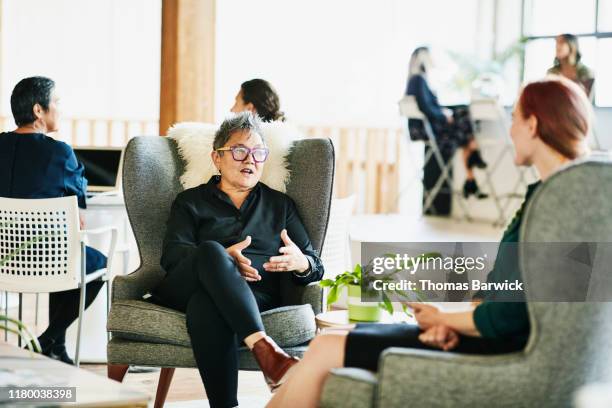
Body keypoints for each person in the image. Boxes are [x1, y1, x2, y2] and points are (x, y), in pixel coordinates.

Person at [267, 75, 592, 408]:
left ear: (533, 125)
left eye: (514, 120)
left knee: (324, 348)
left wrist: (443, 319)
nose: (510, 132)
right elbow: (516, 294)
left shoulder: (552, 202)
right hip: (501, 339)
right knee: (325, 350)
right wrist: (458, 324)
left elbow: (507, 316)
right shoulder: (581, 193)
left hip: (502, 347)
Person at [149, 111, 324, 408]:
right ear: (217, 158)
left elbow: (316, 265)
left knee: (207, 305)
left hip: (255, 296)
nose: (250, 159)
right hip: (185, 285)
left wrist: (300, 262)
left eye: (258, 152)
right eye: (240, 150)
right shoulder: (190, 201)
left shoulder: (280, 205)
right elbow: (172, 257)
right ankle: (266, 350)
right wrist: (222, 259)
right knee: (211, 251)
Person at [0, 76, 107, 365]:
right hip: (47, 259)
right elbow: (76, 195)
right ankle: (47, 339)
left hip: (4, 260)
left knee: (65, 251)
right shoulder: (59, 152)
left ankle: (54, 348)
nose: (60, 109)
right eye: (56, 102)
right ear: (39, 110)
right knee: (96, 263)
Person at [405, 46, 488, 199]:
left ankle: (471, 179)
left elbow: (427, 106)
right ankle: (474, 161)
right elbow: (425, 107)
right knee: (464, 119)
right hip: (427, 129)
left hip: (430, 127)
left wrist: (443, 114)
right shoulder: (418, 80)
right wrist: (443, 116)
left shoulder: (417, 80)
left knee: (464, 127)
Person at [547, 34, 594, 98]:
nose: (557, 46)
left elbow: (586, 100)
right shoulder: (552, 72)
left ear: (572, 45)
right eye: (556, 43)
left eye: (561, 42)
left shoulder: (585, 72)